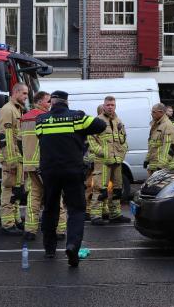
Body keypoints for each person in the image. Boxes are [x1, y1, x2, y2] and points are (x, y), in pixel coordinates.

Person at [35, 91, 107, 267]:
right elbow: (101, 125)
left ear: (52, 102)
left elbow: (41, 137)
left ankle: (49, 250)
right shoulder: (77, 117)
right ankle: (72, 245)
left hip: (49, 172)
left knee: (50, 209)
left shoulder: (41, 120)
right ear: (67, 102)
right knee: (76, 210)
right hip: (72, 171)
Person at [21, 91, 66, 240]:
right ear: (39, 102)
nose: (50, 104)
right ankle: (60, 230)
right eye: (48, 101)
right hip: (44, 163)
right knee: (56, 196)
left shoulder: (25, 118)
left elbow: (19, 140)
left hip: (29, 164)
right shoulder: (45, 118)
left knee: (33, 197)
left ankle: (30, 230)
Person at [88, 96, 130, 225]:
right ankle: (95, 216)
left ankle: (115, 214)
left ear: (115, 106)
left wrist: (122, 152)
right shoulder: (97, 121)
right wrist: (103, 153)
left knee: (117, 188)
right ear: (104, 106)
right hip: (103, 161)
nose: (110, 107)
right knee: (100, 188)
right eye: (108, 105)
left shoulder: (118, 121)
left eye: (112, 105)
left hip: (117, 161)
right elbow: (91, 141)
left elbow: (123, 139)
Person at [0, 83, 28, 235]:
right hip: (12, 158)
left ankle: (16, 220)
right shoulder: (8, 110)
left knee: (17, 191)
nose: (26, 97)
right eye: (24, 93)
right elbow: (4, 136)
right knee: (9, 190)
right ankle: (8, 224)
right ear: (15, 93)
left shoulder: (17, 109)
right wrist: (11, 160)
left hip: (17, 157)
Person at [144, 103, 174, 176]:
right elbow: (152, 145)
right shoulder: (155, 125)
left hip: (163, 169)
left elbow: (170, 146)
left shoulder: (167, 125)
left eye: (153, 112)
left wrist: (161, 166)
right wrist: (147, 159)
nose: (151, 114)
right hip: (154, 167)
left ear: (161, 112)